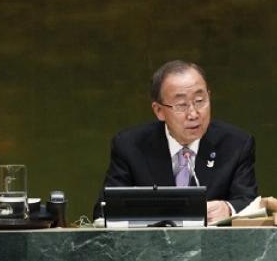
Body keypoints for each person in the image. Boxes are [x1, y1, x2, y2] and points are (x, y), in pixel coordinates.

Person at [94, 60, 258, 222]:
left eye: (200, 101)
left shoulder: (236, 144)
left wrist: (228, 208)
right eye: (181, 105)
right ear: (159, 111)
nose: (193, 114)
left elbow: (250, 202)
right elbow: (104, 210)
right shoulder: (130, 146)